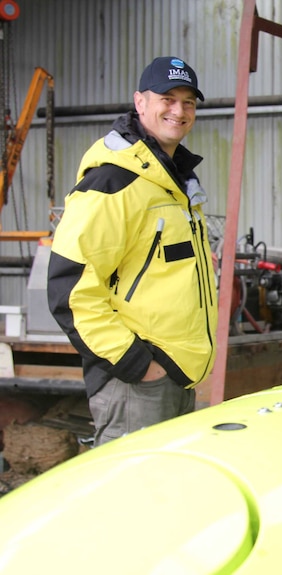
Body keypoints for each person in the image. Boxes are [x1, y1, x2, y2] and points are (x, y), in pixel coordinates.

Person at [47, 56, 217, 446]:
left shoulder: (175, 181)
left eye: (189, 102)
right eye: (168, 99)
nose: (179, 110)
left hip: (177, 378)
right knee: (132, 502)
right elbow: (69, 290)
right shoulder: (112, 182)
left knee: (167, 499)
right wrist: (138, 365)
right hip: (136, 386)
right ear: (140, 102)